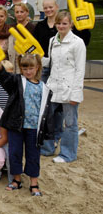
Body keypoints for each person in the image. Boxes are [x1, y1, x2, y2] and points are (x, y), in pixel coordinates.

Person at [0, 54, 53, 196]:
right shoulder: (17, 81)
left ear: (37, 67)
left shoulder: (44, 88)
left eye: (31, 68)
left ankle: (34, 182)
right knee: (15, 152)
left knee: (33, 155)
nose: (28, 71)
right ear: (20, 68)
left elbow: (47, 112)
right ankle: (16, 180)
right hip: (16, 126)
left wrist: (46, 131)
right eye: (24, 68)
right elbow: (4, 78)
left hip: (34, 127)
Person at [40, 11, 86, 163]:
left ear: (70, 24)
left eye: (64, 23)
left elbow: (80, 70)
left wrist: (76, 94)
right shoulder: (53, 40)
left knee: (70, 123)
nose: (61, 26)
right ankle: (47, 149)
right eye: (58, 23)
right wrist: (38, 59)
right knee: (47, 118)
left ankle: (68, 154)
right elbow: (52, 62)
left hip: (69, 88)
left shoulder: (78, 43)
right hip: (53, 86)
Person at [7, 3, 36, 74]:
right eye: (17, 12)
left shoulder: (33, 28)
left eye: (22, 12)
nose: (19, 14)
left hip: (28, 63)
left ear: (27, 13)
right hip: (13, 63)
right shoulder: (11, 28)